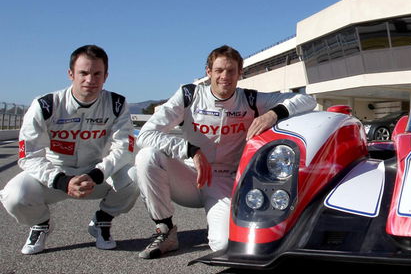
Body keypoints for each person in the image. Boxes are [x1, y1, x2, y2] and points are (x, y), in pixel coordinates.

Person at [135, 45, 316, 259]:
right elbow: (145, 134)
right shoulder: (189, 95)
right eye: (219, 70)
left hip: (223, 182)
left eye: (231, 71)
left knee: (224, 244)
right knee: (147, 157)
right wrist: (190, 150)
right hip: (190, 175)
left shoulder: (249, 100)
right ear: (208, 72)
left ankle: (218, 225)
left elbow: (309, 100)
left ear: (240, 73)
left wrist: (272, 115)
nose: (225, 77)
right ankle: (165, 230)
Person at [0, 45, 138, 255]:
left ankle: (102, 221)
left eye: (97, 74)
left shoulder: (116, 104)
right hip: (54, 175)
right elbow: (28, 155)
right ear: (70, 74)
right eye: (83, 73)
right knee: (13, 195)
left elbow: (124, 148)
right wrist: (61, 180)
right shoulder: (46, 105)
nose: (90, 80)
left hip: (94, 175)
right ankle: (41, 223)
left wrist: (98, 173)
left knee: (136, 177)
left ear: (106, 76)